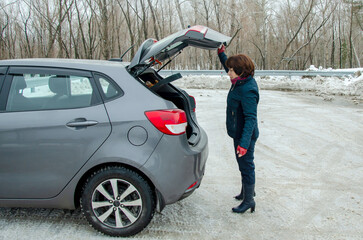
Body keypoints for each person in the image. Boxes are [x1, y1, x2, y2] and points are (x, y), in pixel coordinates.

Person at [217, 45, 259, 213]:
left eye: (231, 70)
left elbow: (251, 119)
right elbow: (228, 65)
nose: (228, 73)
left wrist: (244, 144)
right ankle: (246, 191)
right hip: (239, 132)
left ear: (240, 72)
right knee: (243, 165)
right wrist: (221, 53)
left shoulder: (247, 90)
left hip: (244, 135)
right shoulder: (240, 80)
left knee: (246, 165)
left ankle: (249, 200)